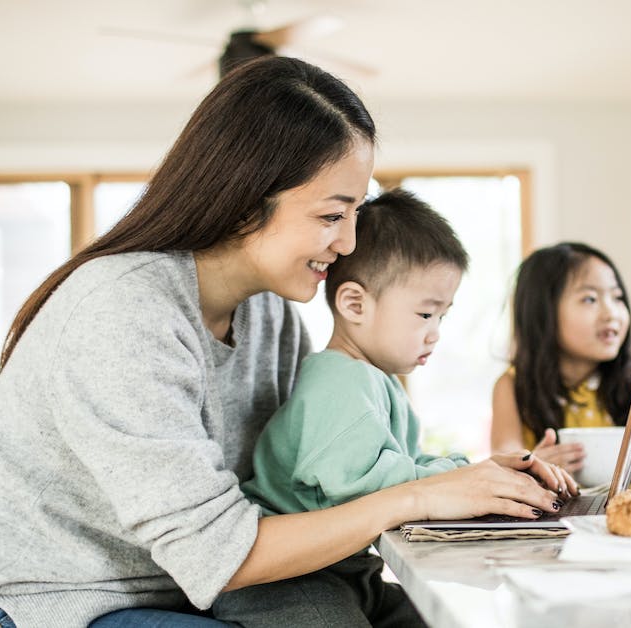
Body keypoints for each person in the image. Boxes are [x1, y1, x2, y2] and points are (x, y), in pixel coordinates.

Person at [0, 57, 566, 628]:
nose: (348, 244)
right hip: (55, 603)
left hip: (188, 591)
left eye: (353, 213)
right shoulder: (120, 312)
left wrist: (470, 482)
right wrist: (422, 494)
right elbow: (221, 554)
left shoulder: (270, 315)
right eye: (330, 214)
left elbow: (294, 488)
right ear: (243, 203)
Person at [210, 189, 578, 627]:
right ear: (354, 304)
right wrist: (458, 481)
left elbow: (405, 465)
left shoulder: (375, 380)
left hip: (341, 571)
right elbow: (360, 486)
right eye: (425, 314)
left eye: (443, 316)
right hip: (282, 583)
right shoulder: (339, 381)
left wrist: (475, 474)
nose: (436, 332)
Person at [489, 242, 631, 489]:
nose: (611, 313)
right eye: (590, 299)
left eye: (617, 297)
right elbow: (502, 467)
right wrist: (531, 468)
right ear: (543, 313)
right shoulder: (512, 386)